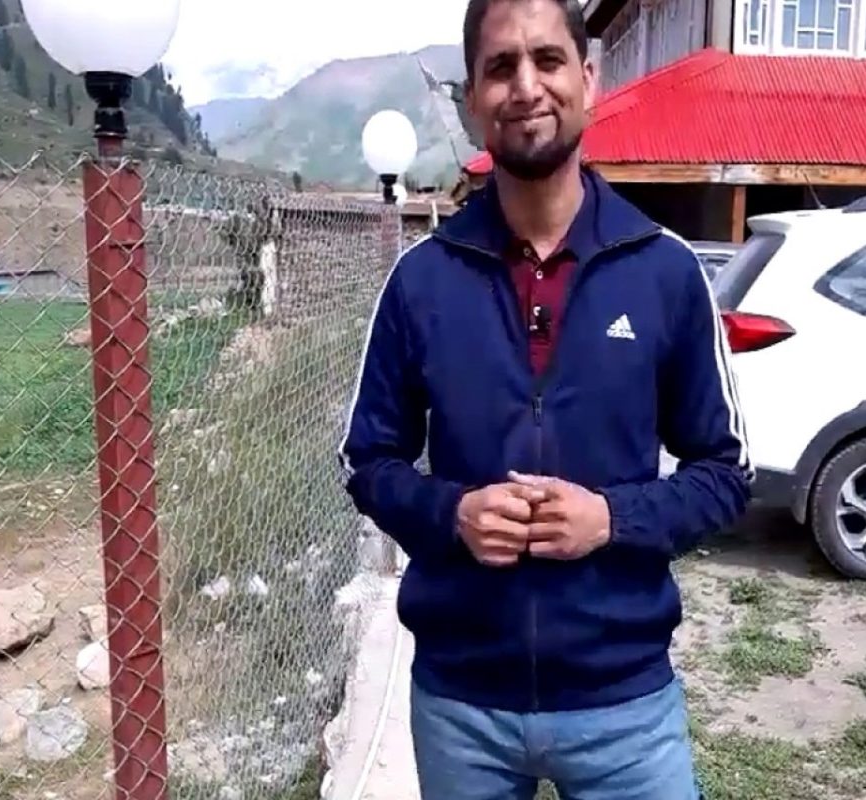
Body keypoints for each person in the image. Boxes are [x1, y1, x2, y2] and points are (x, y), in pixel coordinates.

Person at [338, 0, 752, 796]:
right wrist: (452, 515)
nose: (526, 86)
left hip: (625, 706)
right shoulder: (422, 281)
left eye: (548, 60)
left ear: (589, 81)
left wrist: (610, 519)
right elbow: (367, 459)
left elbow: (725, 472)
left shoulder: (665, 271)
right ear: (473, 101)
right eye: (501, 67)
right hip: (462, 706)